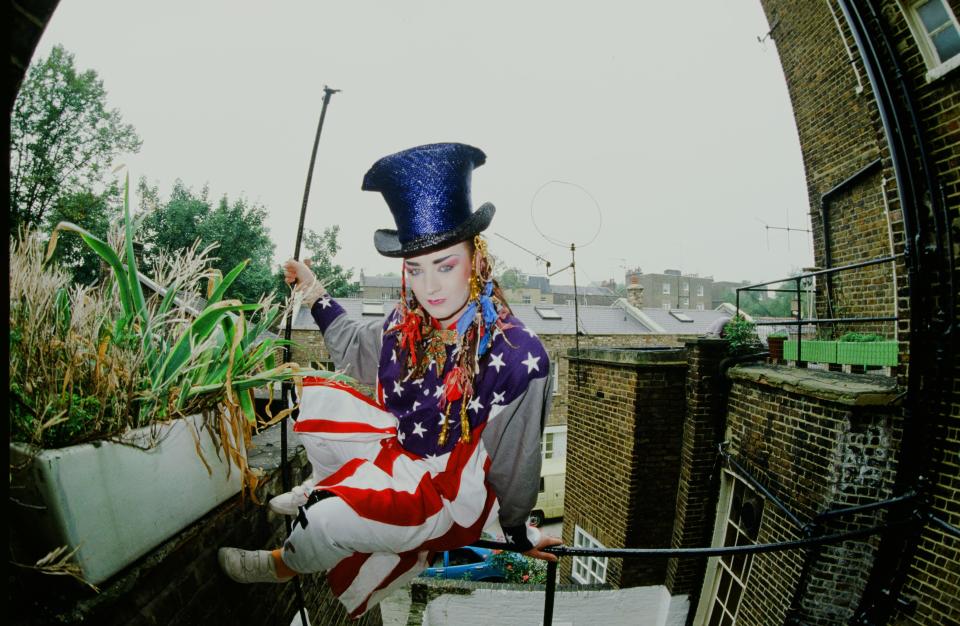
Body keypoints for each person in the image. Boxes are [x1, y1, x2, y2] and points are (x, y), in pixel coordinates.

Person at [218, 142, 561, 618]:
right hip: (400, 452)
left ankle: (282, 561)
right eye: (416, 269)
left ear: (477, 260)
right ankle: (327, 483)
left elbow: (516, 466)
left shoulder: (520, 358)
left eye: (446, 265)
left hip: (449, 493)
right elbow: (356, 346)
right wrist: (314, 291)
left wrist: (517, 533)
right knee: (322, 404)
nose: (430, 287)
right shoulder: (407, 321)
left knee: (324, 521)